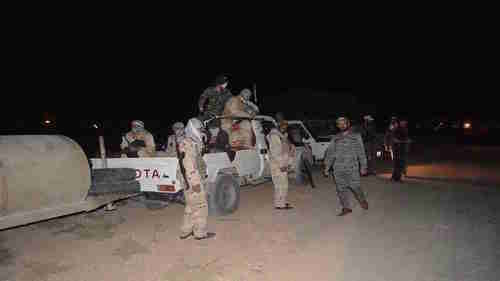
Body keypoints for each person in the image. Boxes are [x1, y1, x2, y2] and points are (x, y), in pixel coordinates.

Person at [323, 116, 369, 216]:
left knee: (355, 186)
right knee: (341, 189)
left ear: (348, 124)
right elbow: (330, 153)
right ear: (338, 126)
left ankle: (362, 200)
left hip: (352, 167)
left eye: (343, 123)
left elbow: (361, 152)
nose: (341, 125)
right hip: (338, 168)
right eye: (339, 123)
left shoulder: (356, 136)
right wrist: (327, 167)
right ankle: (346, 207)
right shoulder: (335, 138)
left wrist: (363, 166)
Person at [179, 118, 215, 240]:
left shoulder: (191, 141)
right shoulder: (188, 143)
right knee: (200, 205)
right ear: (193, 129)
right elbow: (188, 164)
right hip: (192, 178)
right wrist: (195, 183)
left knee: (190, 205)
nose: (201, 131)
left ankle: (186, 230)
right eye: (199, 129)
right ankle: (200, 232)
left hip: (189, 178)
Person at [267, 121, 293, 210]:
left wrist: (288, 162)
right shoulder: (275, 136)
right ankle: (280, 204)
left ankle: (280, 203)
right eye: (283, 125)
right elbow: (275, 153)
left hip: (279, 163)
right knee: (281, 184)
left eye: (286, 126)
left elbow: (286, 150)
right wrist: (282, 165)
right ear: (279, 126)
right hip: (277, 165)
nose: (285, 127)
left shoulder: (281, 136)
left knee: (281, 184)